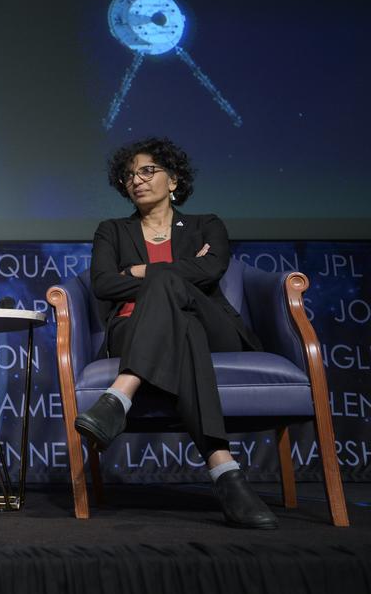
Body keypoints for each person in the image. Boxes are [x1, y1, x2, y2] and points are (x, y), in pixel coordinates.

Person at [77, 137, 277, 529]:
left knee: (169, 289)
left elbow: (211, 270)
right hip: (133, 329)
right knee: (180, 321)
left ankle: (121, 394)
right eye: (129, 174)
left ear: (174, 180)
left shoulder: (207, 224)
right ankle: (225, 471)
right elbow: (102, 284)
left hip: (214, 325)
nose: (137, 179)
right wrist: (180, 269)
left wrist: (136, 272)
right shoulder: (112, 231)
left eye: (148, 170)